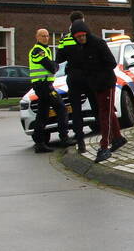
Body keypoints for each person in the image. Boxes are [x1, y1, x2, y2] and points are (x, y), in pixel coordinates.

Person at [75, 24, 126, 162]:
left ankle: (104, 146)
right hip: (96, 85)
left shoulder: (98, 43)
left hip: (106, 83)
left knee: (105, 115)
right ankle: (118, 138)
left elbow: (111, 63)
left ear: (86, 33)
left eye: (82, 36)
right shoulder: (82, 48)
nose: (81, 38)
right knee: (107, 112)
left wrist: (95, 71)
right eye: (78, 37)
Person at [56, 11, 98, 154]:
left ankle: (80, 142)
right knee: (96, 106)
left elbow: (59, 58)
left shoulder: (65, 39)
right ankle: (105, 137)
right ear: (82, 20)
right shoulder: (87, 36)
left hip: (73, 77)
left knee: (76, 111)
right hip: (88, 76)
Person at [28, 28, 69, 153]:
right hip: (44, 85)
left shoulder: (45, 50)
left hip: (44, 85)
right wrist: (55, 65)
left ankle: (39, 143)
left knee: (43, 113)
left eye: (47, 36)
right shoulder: (37, 50)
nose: (46, 38)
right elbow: (52, 67)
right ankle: (64, 138)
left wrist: (54, 65)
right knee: (61, 108)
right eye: (42, 36)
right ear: (37, 37)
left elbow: (53, 66)